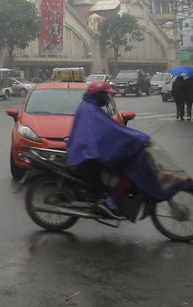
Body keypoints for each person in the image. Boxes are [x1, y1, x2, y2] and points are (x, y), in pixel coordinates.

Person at [66, 80, 184, 219]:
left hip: (92, 150)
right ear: (99, 95)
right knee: (130, 173)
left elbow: (112, 131)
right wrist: (138, 138)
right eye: (106, 95)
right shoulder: (90, 110)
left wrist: (133, 137)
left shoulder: (90, 107)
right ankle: (110, 202)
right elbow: (113, 130)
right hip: (90, 154)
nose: (109, 98)